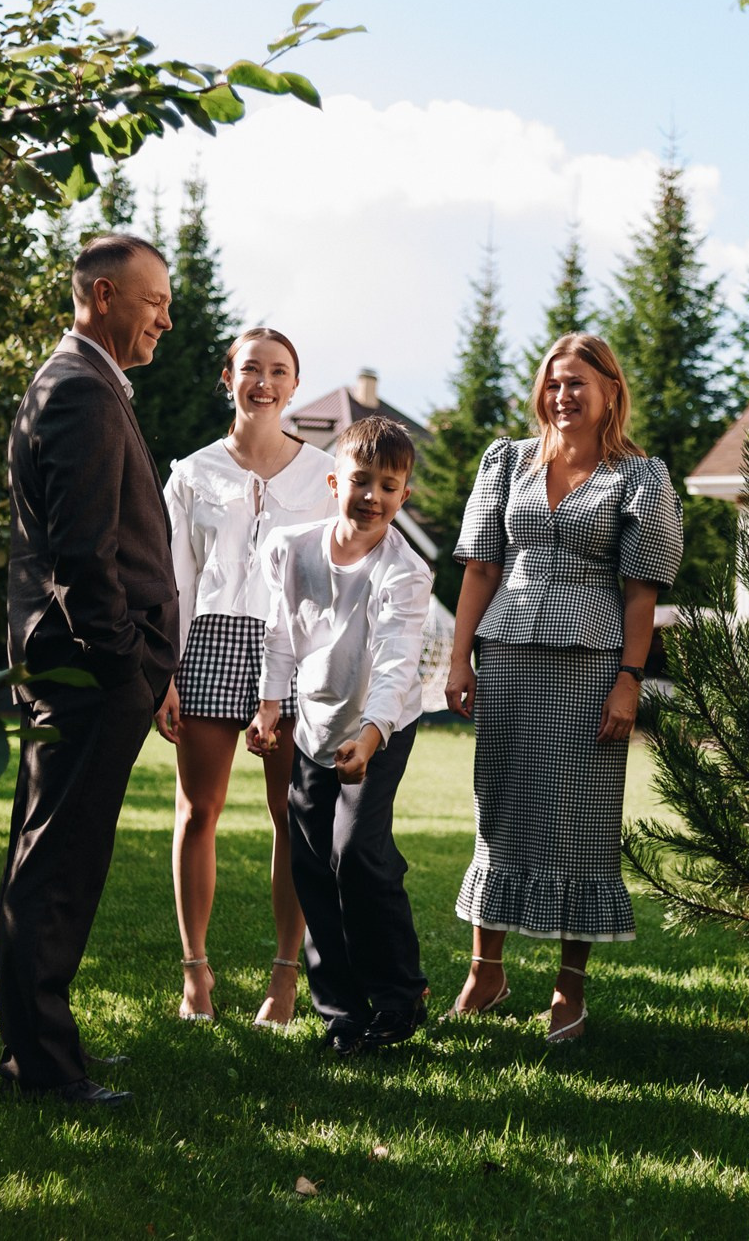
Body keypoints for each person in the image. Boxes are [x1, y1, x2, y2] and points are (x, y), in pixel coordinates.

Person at [442, 333, 683, 1042]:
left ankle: (568, 992)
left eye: (578, 382)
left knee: (580, 825)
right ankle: (486, 972)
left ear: (610, 389)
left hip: (590, 666)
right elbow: (480, 568)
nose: (563, 395)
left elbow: (641, 595)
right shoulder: (507, 461)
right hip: (507, 655)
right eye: (553, 382)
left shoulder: (641, 477)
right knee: (502, 810)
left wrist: (630, 681)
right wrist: (460, 661)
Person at [0, 233, 178, 1107]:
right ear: (103, 297)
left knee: (53, 858)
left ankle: (41, 1050)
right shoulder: (79, 392)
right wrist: (126, 663)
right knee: (57, 868)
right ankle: (44, 1068)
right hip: (87, 671)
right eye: (153, 304)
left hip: (84, 669)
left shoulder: (82, 383)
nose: (164, 322)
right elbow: (82, 555)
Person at [155, 328, 334, 1026]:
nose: (264, 382)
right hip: (206, 646)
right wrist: (165, 672)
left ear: (294, 385)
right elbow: (176, 579)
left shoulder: (324, 474)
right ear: (226, 378)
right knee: (198, 812)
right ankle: (195, 976)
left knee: (292, 818)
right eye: (250, 369)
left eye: (278, 371)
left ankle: (284, 982)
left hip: (290, 653)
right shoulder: (192, 473)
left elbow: (337, 575)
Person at [247, 416, 434, 1056]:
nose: (372, 496)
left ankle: (400, 997)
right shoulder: (292, 549)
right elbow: (278, 633)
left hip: (381, 727)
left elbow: (394, 663)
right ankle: (341, 1010)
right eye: (360, 480)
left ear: (403, 496)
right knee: (308, 861)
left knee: (355, 852)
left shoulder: (404, 573)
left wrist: (372, 736)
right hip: (315, 722)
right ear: (335, 482)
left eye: (389, 486)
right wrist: (272, 707)